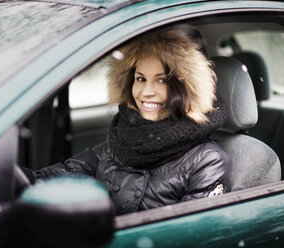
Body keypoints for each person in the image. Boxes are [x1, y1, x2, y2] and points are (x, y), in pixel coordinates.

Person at [24, 29, 232, 215]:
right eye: (140, 78)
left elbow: (185, 235)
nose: (146, 92)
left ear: (186, 88)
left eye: (162, 80)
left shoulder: (208, 161)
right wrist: (25, 182)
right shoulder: (124, 136)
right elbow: (71, 172)